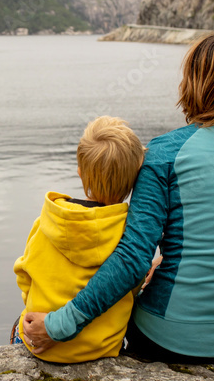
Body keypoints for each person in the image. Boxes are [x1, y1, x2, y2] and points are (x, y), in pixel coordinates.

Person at [24, 32, 214, 361]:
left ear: (193, 83)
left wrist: (58, 325)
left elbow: (133, 259)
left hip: (170, 337)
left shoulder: (163, 153)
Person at [12, 116, 145, 362]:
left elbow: (24, 274)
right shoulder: (131, 236)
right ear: (136, 177)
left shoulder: (47, 221)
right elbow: (131, 285)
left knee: (15, 326)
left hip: (41, 344)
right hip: (100, 349)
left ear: (80, 173)